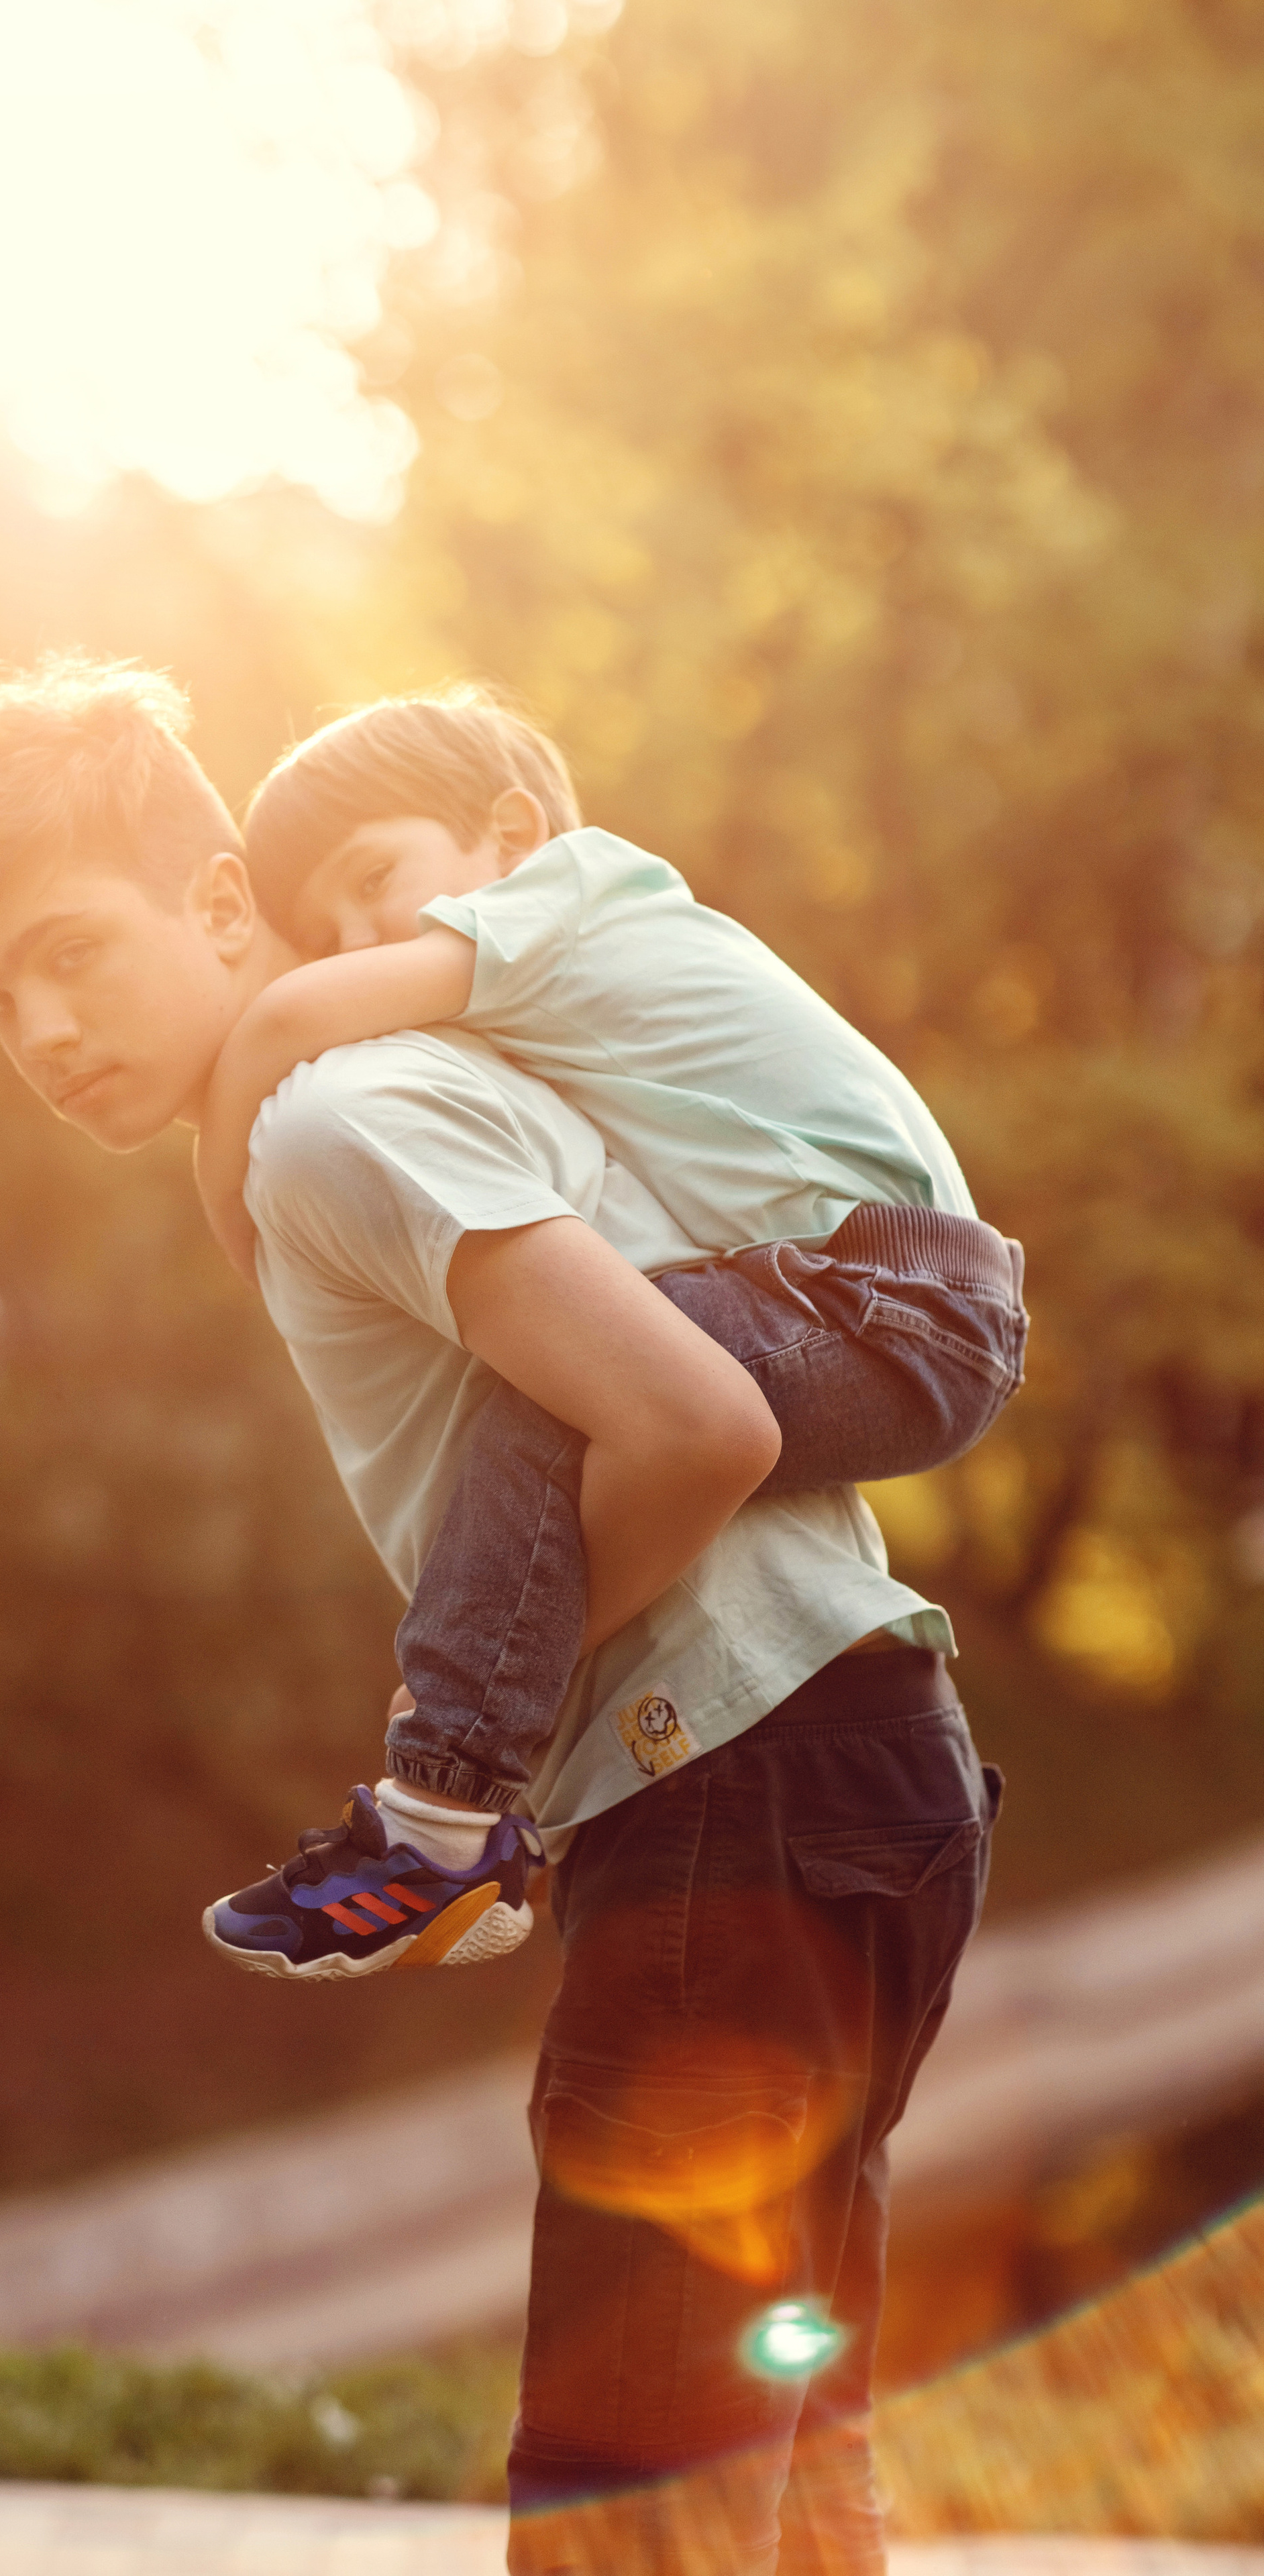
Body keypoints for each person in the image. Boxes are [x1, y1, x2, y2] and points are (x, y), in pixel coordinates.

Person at [0, 654, 1002, 2575]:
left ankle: (435, 1816)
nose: (42, 1030)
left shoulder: (337, 1123)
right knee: (789, 2501)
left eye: (70, 954)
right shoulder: (368, 1097)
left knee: (626, 2516)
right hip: (838, 1778)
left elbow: (699, 1424)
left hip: (741, 1799)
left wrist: (490, 1742)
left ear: (216, 900)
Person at [193, 690, 1022, 1985]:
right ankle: (457, 1771)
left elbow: (285, 1022)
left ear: (511, 832)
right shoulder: (558, 990)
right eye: (326, 928)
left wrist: (228, 1197)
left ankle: (439, 1821)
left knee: (565, 1405)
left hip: (893, 1296)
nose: (355, 941)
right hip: (885, 1295)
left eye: (373, 879)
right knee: (582, 1381)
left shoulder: (564, 898)